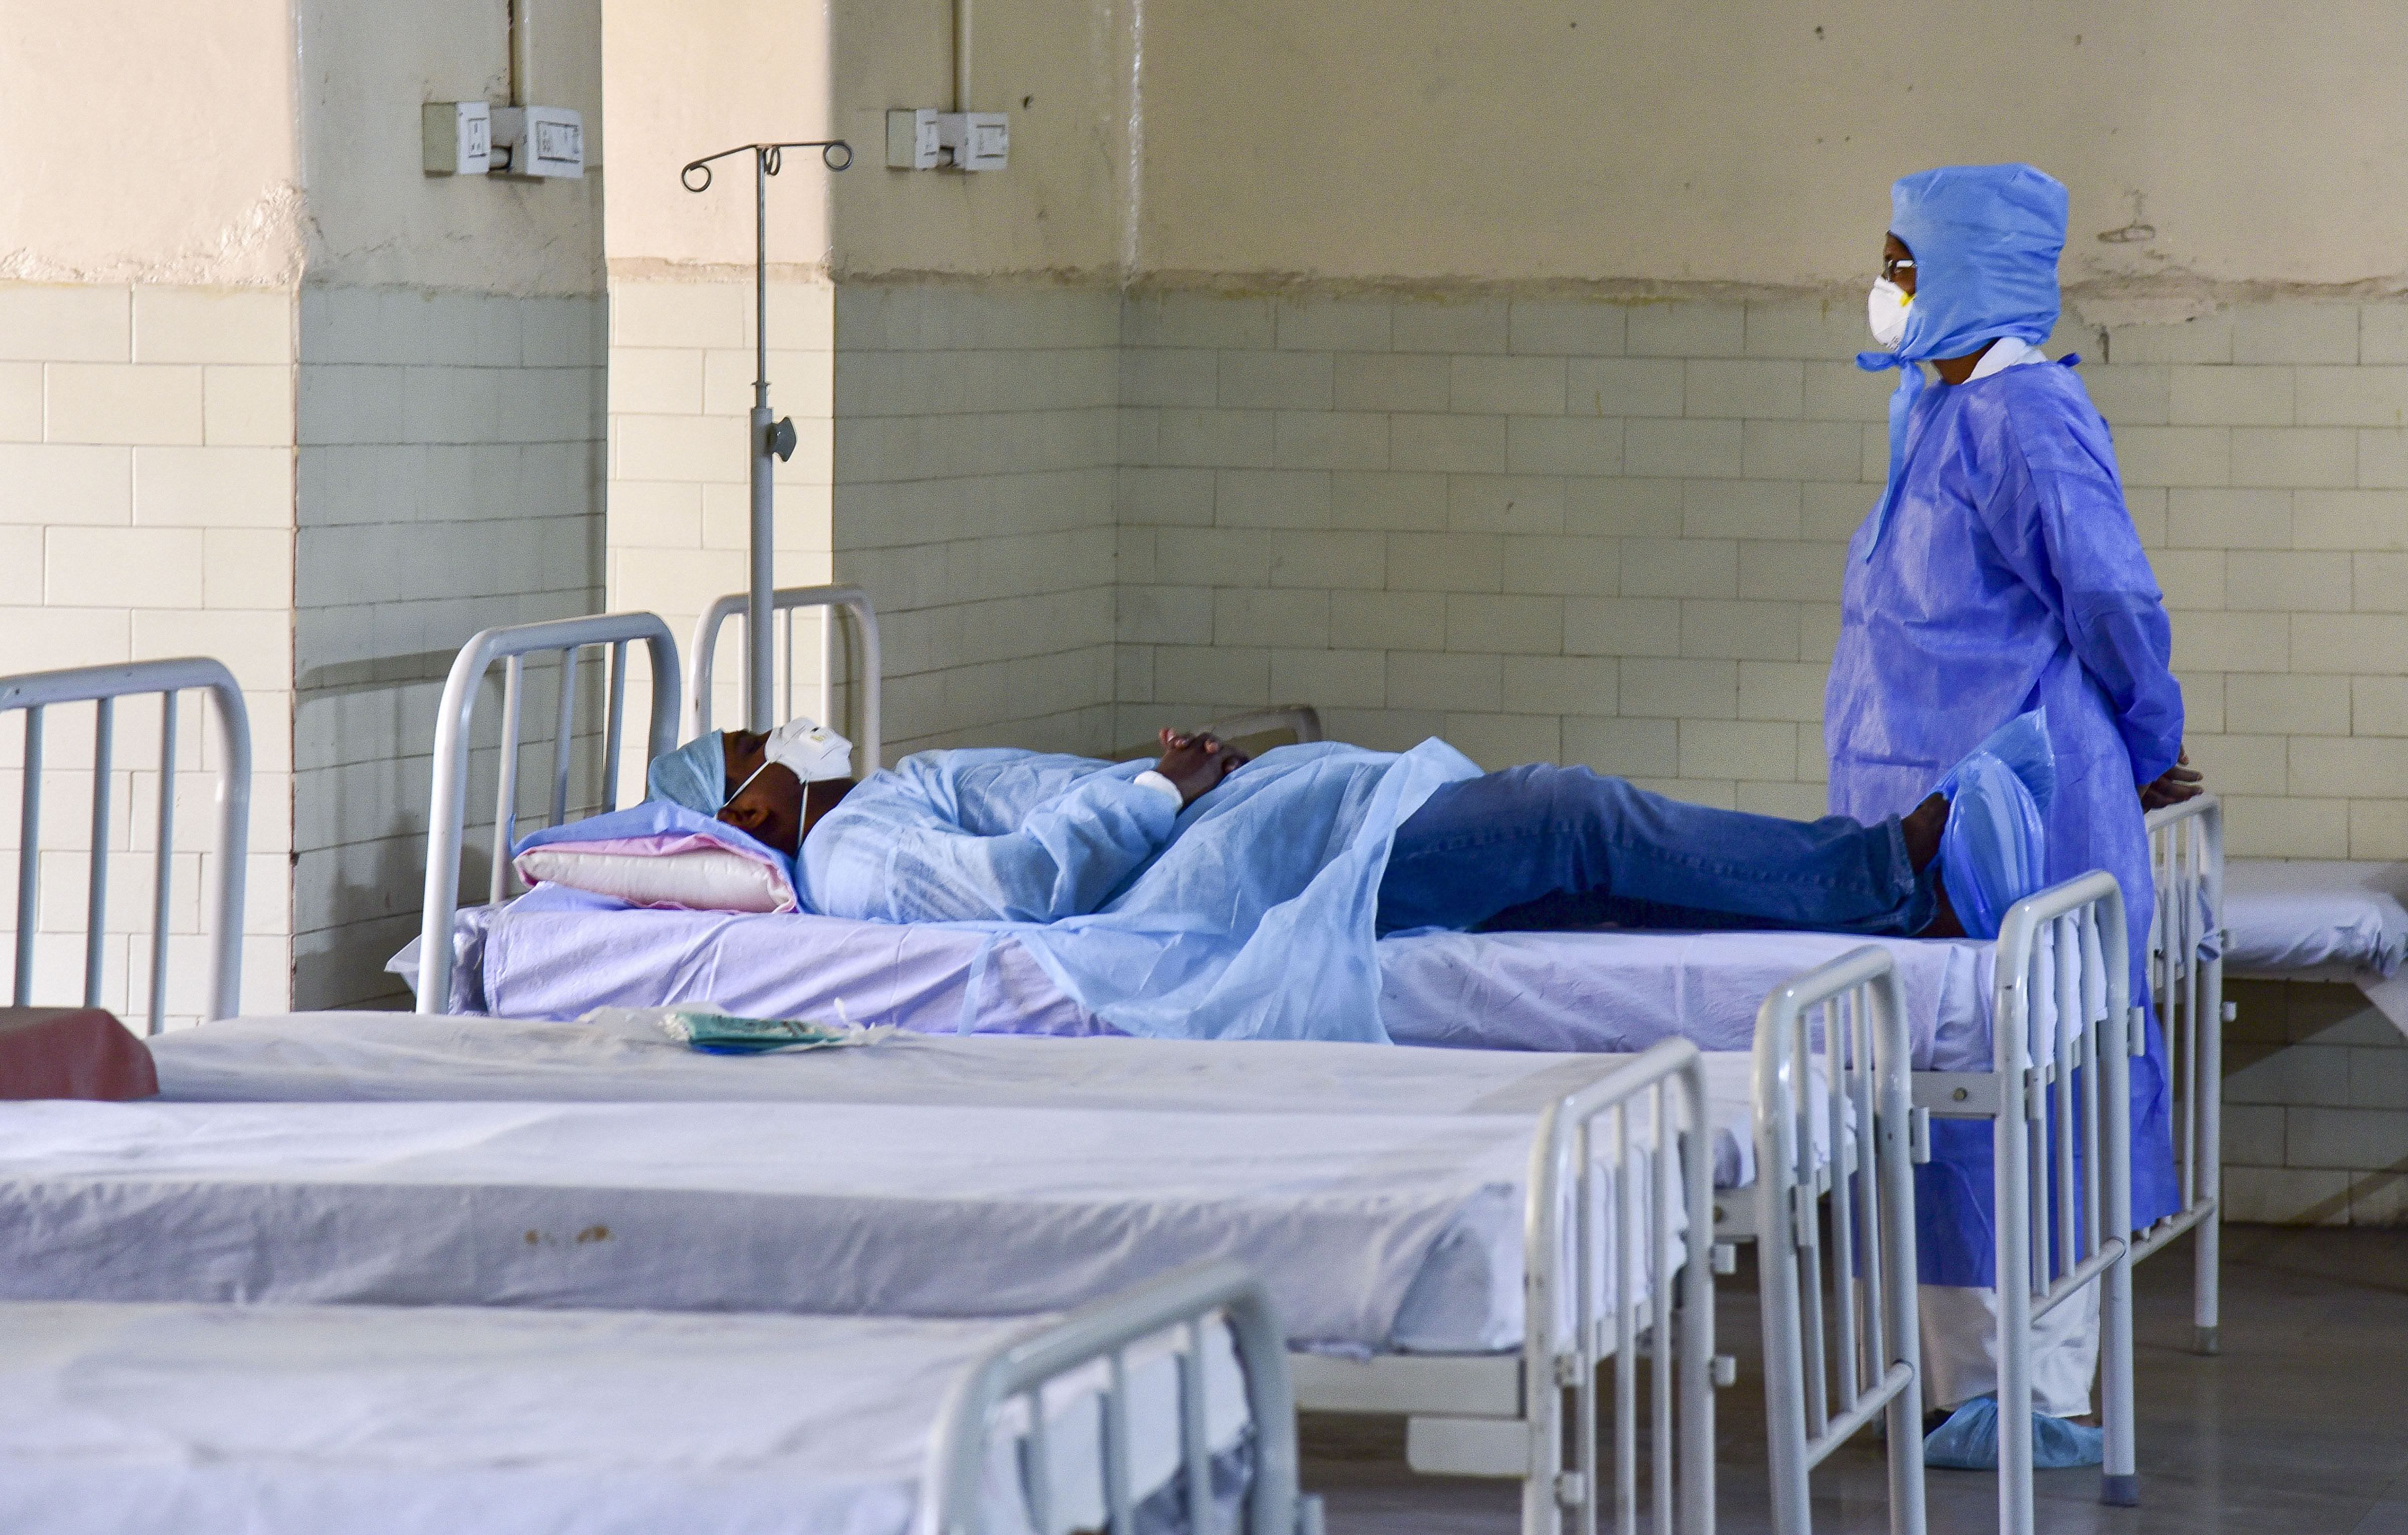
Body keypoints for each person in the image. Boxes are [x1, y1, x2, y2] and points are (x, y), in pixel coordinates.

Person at [1831, 162, 2202, 1467]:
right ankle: (1956, 1384)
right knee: (1941, 1103)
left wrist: (2149, 742)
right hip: (1919, 825)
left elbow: (2112, 601)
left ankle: (2033, 1391)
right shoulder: (1929, 417)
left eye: (1905, 261)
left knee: (2032, 1099)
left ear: (1974, 271)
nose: (1886, 286)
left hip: (2024, 824)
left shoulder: (2029, 415)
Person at [645, 717, 2055, 945]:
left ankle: (1873, 899)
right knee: (1572, 813)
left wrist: (1182, 776)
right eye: (773, 734)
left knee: (1577, 879)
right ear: (752, 798)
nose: (801, 725)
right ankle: (1890, 873)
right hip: (1277, 872)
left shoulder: (881, 791)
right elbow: (1022, 884)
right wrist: (1167, 794)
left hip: (1273, 826)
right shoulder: (849, 850)